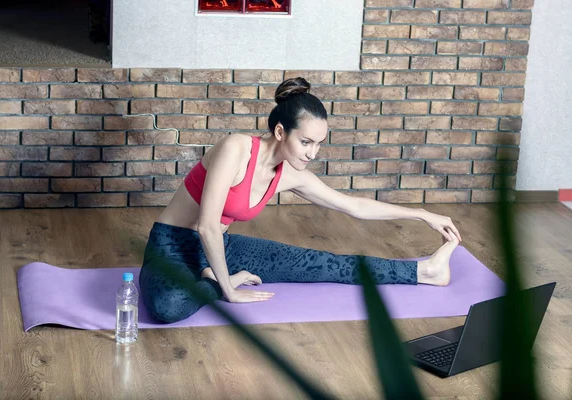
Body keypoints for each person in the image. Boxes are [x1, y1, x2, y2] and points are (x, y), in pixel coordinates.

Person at [139, 77, 463, 324]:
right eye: (305, 142)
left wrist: (421, 213)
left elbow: (354, 206)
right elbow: (208, 226)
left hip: (220, 250)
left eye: (318, 144)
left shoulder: (291, 174)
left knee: (321, 264)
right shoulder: (235, 149)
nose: (312, 153)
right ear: (281, 132)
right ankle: (212, 281)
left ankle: (426, 271)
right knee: (168, 307)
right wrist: (229, 288)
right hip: (172, 247)